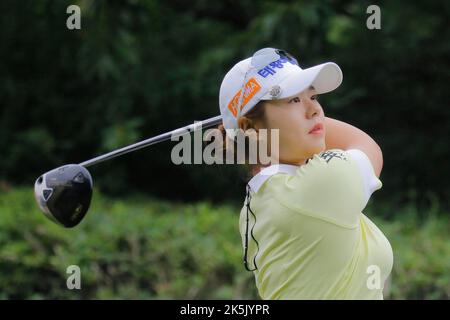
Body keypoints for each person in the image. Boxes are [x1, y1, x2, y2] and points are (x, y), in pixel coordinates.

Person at [217, 48, 393, 299]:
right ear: (250, 128)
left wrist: (243, 124)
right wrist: (242, 125)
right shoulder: (317, 186)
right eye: (294, 100)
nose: (315, 110)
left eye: (314, 97)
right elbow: (367, 146)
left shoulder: (260, 200)